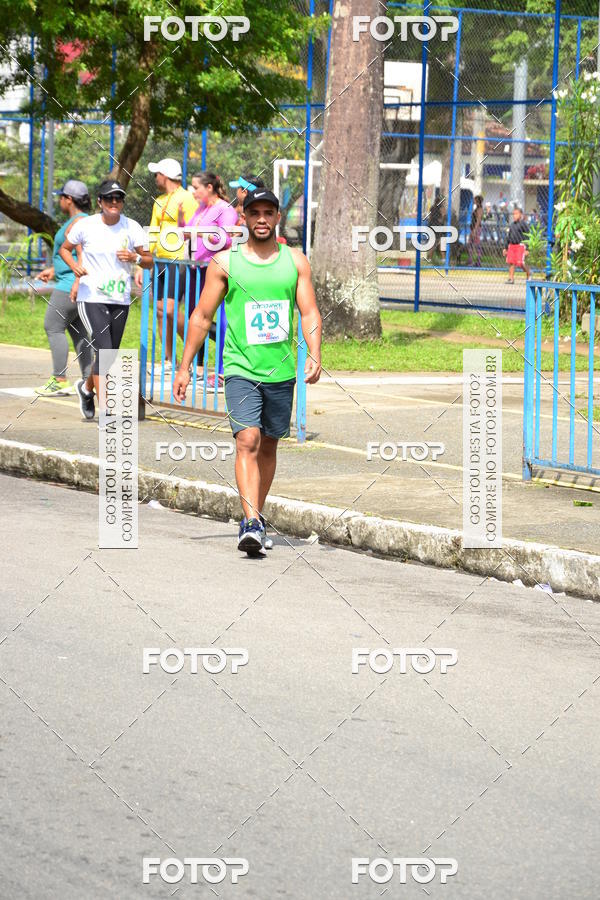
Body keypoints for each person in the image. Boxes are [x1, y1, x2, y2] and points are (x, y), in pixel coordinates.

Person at [173, 189, 322, 556]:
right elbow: (201, 316)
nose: (260, 218)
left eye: (268, 212)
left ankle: (256, 512)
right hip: (239, 367)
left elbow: (309, 312)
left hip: (281, 369)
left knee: (269, 444)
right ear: (243, 216)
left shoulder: (296, 262)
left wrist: (315, 352)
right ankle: (251, 522)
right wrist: (185, 365)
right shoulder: (225, 263)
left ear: (276, 218)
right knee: (248, 440)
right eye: (253, 211)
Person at [59, 179, 153, 419]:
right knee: (106, 350)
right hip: (91, 296)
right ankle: (107, 410)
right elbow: (64, 248)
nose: (114, 202)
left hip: (120, 298)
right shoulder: (86, 225)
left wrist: (135, 258)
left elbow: (149, 259)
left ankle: (86, 388)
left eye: (118, 198)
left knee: (108, 354)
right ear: (99, 201)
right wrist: (74, 267)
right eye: (109, 198)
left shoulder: (132, 227)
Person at [135, 157, 197, 370]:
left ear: (166, 175)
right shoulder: (159, 200)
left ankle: (194, 347)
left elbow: (192, 228)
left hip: (178, 261)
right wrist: (142, 263)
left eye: (157, 174)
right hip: (159, 262)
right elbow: (152, 233)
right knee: (160, 310)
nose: (155, 178)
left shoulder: (187, 198)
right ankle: (170, 360)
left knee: (170, 309)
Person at [180, 172, 239, 389]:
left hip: (216, 270)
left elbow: (226, 238)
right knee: (195, 318)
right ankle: (198, 367)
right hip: (197, 269)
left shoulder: (224, 209)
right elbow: (189, 229)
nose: (193, 192)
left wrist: (202, 233)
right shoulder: (202, 208)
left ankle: (224, 372)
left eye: (197, 187)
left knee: (222, 320)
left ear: (210, 188)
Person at [35, 180, 94, 396]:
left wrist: (77, 282)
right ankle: (90, 380)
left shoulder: (78, 222)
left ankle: (59, 379)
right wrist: (54, 269)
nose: (60, 200)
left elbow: (82, 255)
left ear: (69, 199)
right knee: (79, 333)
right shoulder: (83, 220)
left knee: (52, 325)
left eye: (61, 197)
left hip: (71, 285)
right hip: (73, 282)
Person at [503, 206, 530, 283]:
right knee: (511, 262)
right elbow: (508, 237)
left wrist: (527, 249)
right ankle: (511, 279)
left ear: (521, 215)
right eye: (513, 214)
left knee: (521, 263)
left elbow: (527, 236)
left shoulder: (523, 224)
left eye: (516, 214)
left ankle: (529, 273)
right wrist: (505, 248)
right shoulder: (512, 225)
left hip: (520, 246)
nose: (514, 215)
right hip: (512, 246)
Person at [467, 194, 483, 267]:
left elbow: (478, 220)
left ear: (477, 200)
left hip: (476, 229)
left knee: (476, 245)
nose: (473, 200)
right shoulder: (476, 208)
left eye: (474, 199)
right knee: (470, 244)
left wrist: (474, 230)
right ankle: (470, 260)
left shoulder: (480, 209)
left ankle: (478, 262)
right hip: (473, 228)